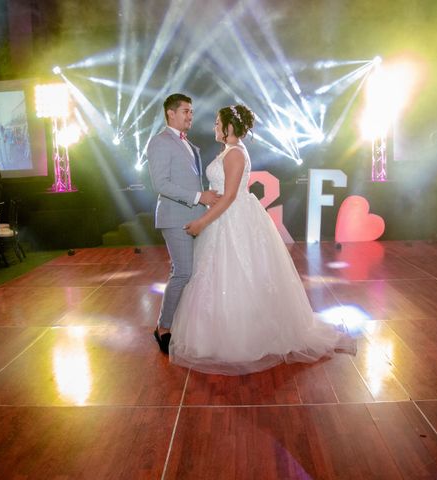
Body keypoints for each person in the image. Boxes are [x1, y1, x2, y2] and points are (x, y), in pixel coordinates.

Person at [169, 105, 355, 375]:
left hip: (232, 219)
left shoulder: (234, 154)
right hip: (224, 217)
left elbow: (231, 196)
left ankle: (242, 337)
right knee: (218, 276)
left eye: (218, 123)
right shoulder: (229, 151)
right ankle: (219, 333)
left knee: (236, 274)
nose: (214, 127)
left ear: (230, 126)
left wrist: (202, 222)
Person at [147, 93, 220, 354]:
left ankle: (184, 324)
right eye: (186, 111)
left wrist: (204, 201)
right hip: (174, 217)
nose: (191, 116)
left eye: (191, 111)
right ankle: (163, 328)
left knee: (193, 272)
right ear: (171, 113)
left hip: (194, 217)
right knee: (183, 272)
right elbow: (161, 184)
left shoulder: (186, 143)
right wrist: (200, 197)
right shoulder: (160, 142)